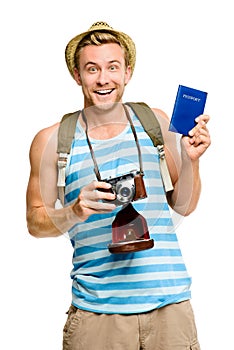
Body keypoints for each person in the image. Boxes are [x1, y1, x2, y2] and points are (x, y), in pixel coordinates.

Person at [26, 21, 211, 350]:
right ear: (76, 75)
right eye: (92, 68)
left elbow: (184, 206)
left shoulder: (155, 122)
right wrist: (74, 210)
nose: (103, 79)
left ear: (128, 72)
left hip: (170, 307)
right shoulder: (52, 141)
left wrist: (191, 161)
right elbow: (35, 223)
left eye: (113, 67)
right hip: (97, 314)